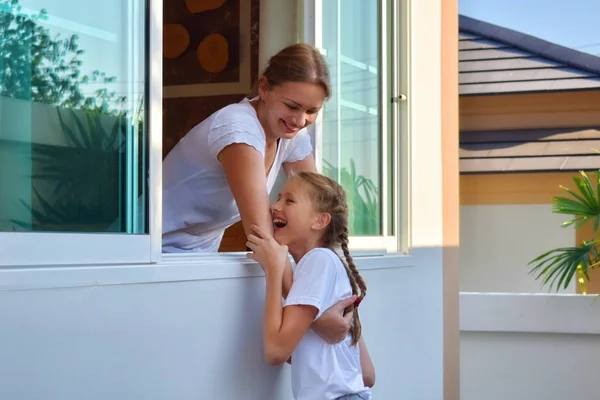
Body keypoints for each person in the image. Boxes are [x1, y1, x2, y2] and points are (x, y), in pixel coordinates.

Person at [161, 44, 354, 344]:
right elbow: (262, 237)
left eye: (311, 111)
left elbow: (319, 214)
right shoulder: (238, 127)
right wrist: (316, 314)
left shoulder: (290, 133)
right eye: (292, 106)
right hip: (155, 252)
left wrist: (338, 289)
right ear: (264, 88)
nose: (300, 120)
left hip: (198, 258)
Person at [246, 172, 376, 400]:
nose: (274, 206)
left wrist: (275, 271)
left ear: (320, 221)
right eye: (278, 197)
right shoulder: (327, 265)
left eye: (289, 200)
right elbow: (366, 375)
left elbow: (275, 351)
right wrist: (311, 326)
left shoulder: (318, 261)